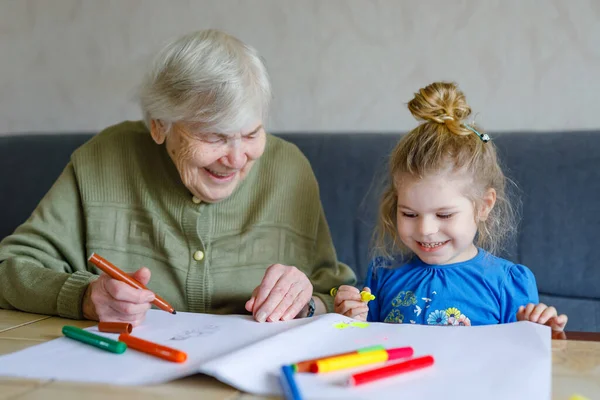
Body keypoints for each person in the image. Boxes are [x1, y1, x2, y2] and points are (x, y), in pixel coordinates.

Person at [0, 29, 356, 326]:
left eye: (251, 134)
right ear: (159, 125)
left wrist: (307, 301)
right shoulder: (103, 160)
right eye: (214, 136)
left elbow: (338, 292)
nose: (235, 158)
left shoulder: (288, 169)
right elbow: (8, 269)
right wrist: (83, 297)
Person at [334, 82, 567, 331]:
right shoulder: (384, 275)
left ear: (484, 206)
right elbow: (364, 344)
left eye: (444, 214)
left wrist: (537, 330)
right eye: (409, 213)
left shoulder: (507, 283)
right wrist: (349, 319)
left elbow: (521, 359)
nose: (425, 229)